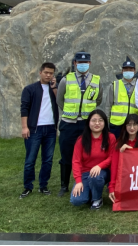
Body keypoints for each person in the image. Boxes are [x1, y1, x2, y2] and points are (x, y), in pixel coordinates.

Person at [56, 51, 103, 197]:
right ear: (75, 63)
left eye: (86, 62)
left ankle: (87, 182)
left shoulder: (96, 80)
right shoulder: (66, 80)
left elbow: (98, 100)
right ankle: (64, 185)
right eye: (80, 62)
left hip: (87, 124)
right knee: (66, 154)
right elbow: (60, 100)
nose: (83, 65)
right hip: (69, 123)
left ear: (90, 63)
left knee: (89, 153)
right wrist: (71, 112)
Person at [19, 62, 59, 199]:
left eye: (51, 73)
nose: (48, 75)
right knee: (30, 159)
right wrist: (25, 127)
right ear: (40, 72)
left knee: (47, 160)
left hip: (51, 128)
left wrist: (54, 87)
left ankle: (43, 185)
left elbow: (59, 102)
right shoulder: (30, 89)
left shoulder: (53, 89)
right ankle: (28, 186)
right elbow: (24, 108)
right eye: (46, 72)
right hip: (34, 129)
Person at [70, 109, 115, 210]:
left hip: (104, 172)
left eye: (100, 120)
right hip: (86, 173)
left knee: (95, 176)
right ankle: (92, 190)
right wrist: (78, 181)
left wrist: (99, 166)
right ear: (88, 122)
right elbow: (76, 162)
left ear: (105, 122)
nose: (97, 123)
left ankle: (97, 199)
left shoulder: (110, 137)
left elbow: (112, 157)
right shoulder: (81, 140)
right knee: (76, 200)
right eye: (94, 120)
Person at [109, 114, 138, 204]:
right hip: (125, 177)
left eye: (135, 124)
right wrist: (112, 187)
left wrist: (131, 151)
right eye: (129, 125)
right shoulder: (118, 144)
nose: (132, 128)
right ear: (125, 126)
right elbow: (114, 166)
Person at [106, 57, 138, 139]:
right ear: (122, 71)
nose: (128, 71)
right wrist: (106, 123)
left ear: (134, 71)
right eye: (126, 69)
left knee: (131, 145)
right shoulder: (114, 85)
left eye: (130, 69)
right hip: (116, 124)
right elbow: (108, 105)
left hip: (133, 124)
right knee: (115, 145)